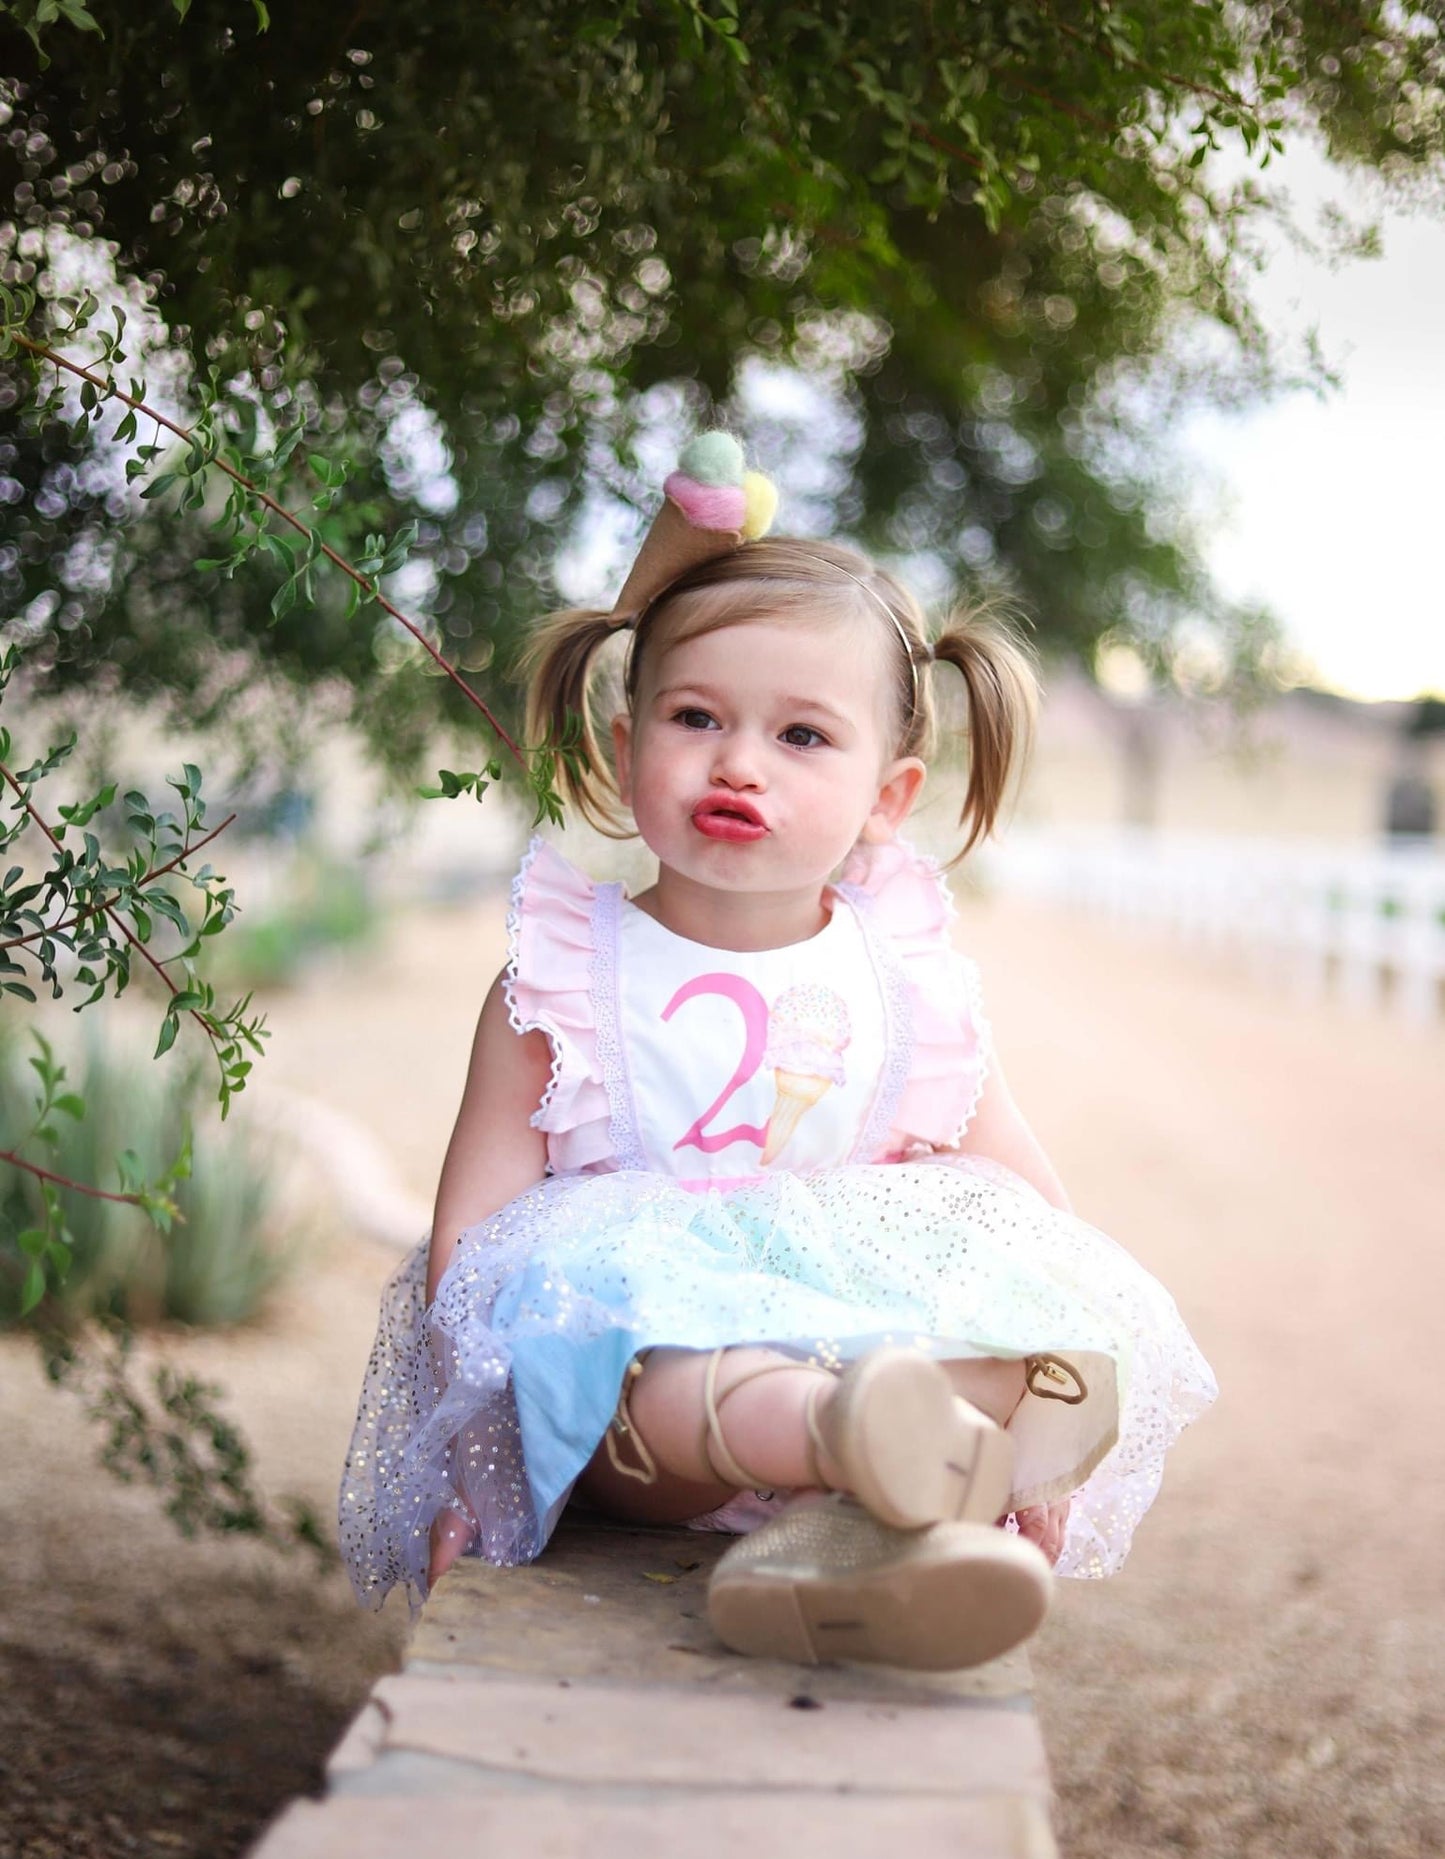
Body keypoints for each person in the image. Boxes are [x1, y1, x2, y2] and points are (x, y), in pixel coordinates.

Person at [339, 433, 1216, 1671]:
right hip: (660, 1432)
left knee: (1013, 1351)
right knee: (621, 1361)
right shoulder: (563, 979)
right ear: (623, 738)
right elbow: (471, 1256)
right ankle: (847, 1445)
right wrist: (464, 1480)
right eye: (694, 716)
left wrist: (1046, 1413)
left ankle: (850, 1544)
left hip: (871, 1343)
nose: (738, 760)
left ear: (886, 797)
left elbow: (1022, 1200)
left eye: (801, 736)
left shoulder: (904, 981)